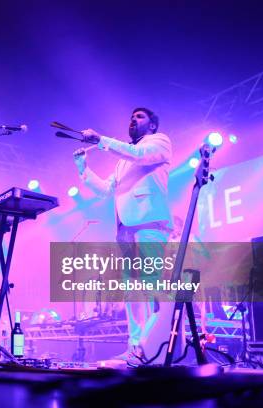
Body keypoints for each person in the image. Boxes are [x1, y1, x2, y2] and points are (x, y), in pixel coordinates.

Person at [73, 107, 179, 364]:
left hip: (149, 224)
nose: (133, 119)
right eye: (131, 117)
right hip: (126, 228)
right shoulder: (123, 161)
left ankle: (155, 346)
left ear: (152, 125)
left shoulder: (159, 141)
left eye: (140, 117)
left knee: (149, 285)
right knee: (132, 290)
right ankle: (136, 347)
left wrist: (101, 140)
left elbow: (139, 154)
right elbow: (105, 190)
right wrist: (83, 168)